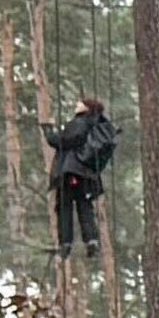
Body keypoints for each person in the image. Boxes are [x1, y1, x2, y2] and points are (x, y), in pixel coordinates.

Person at [47, 94, 116, 255]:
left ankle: (65, 243)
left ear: (86, 108)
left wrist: (50, 133)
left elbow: (65, 140)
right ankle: (91, 240)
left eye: (80, 103)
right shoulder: (97, 126)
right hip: (88, 175)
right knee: (84, 204)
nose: (77, 105)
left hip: (71, 170)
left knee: (64, 205)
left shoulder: (80, 122)